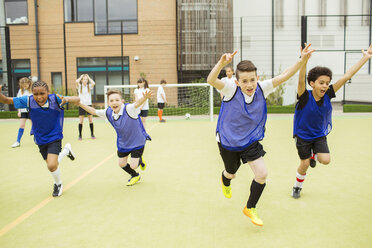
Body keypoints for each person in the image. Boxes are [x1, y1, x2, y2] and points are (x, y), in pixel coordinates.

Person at [207, 45, 314, 226]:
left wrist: (302, 60)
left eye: (252, 80)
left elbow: (285, 75)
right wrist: (221, 63)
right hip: (228, 141)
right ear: (237, 82)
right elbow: (211, 80)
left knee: (262, 174)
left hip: (250, 140)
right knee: (231, 173)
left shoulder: (262, 88)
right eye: (244, 81)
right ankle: (225, 179)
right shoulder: (229, 89)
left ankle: (250, 207)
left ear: (257, 78)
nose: (249, 85)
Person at [291, 44, 372, 199]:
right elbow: (301, 79)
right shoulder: (304, 96)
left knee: (325, 160)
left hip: (319, 135)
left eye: (327, 83)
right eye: (321, 82)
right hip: (303, 136)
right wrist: (304, 60)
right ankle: (297, 187)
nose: (325, 85)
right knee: (305, 164)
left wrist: (365, 58)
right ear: (312, 83)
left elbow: (347, 76)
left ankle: (314, 154)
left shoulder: (328, 94)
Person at [0, 81, 80, 197]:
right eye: (36, 94)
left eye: (42, 93)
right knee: (53, 165)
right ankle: (66, 151)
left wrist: (67, 99)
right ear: (32, 94)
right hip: (40, 138)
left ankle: (58, 184)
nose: (39, 97)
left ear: (48, 92)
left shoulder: (55, 99)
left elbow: (77, 99)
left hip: (54, 136)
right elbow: (6, 100)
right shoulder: (28, 100)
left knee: (51, 165)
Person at [76, 89, 152, 186]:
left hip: (137, 141)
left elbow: (137, 104)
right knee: (121, 164)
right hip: (123, 143)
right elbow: (93, 111)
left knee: (133, 165)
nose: (114, 102)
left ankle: (139, 159)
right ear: (108, 103)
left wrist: (145, 97)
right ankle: (135, 175)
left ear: (122, 101)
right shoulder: (108, 112)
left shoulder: (128, 109)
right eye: (111, 101)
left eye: (117, 100)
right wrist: (80, 104)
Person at [11, 77, 33, 148]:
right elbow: (18, 101)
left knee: (34, 126)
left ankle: (38, 140)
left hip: (31, 111)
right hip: (23, 111)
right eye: (23, 85)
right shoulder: (20, 91)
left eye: (26, 85)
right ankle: (18, 141)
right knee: (21, 125)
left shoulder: (32, 91)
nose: (25, 86)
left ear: (29, 83)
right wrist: (19, 111)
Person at [76, 74, 96, 140]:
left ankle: (92, 134)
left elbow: (93, 83)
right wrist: (81, 77)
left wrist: (88, 77)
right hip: (81, 105)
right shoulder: (79, 86)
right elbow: (76, 81)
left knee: (90, 120)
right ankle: (80, 135)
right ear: (81, 80)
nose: (85, 80)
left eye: (86, 79)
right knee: (81, 121)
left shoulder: (89, 86)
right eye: (84, 79)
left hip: (88, 105)